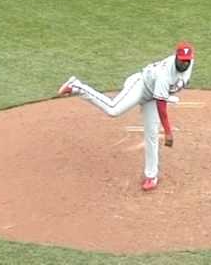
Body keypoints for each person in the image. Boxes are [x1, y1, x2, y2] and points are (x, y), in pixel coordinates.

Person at [57, 41, 195, 191]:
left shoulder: (189, 63)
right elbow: (161, 105)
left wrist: (168, 94)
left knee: (152, 133)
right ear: (176, 57)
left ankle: (151, 175)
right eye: (182, 60)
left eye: (187, 60)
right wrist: (168, 131)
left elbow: (170, 89)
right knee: (113, 110)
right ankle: (77, 86)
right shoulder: (164, 74)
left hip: (153, 96)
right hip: (140, 86)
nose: (185, 63)